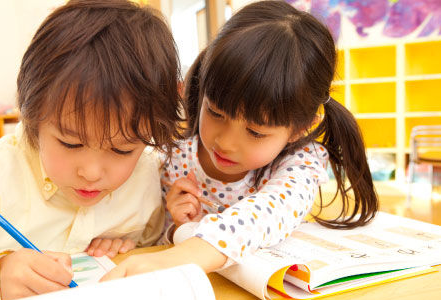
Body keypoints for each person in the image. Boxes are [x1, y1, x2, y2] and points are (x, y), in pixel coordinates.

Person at [0, 0, 181, 300]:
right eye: (71, 143)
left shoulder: (151, 174)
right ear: (32, 116)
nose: (90, 172)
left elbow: (153, 248)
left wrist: (129, 249)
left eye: (121, 150)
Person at [101, 0, 379, 280]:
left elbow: (269, 212)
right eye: (216, 112)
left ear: (299, 129)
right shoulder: (177, 157)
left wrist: (183, 254)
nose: (226, 143)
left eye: (256, 132)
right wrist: (175, 227)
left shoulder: (301, 162)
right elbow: (155, 246)